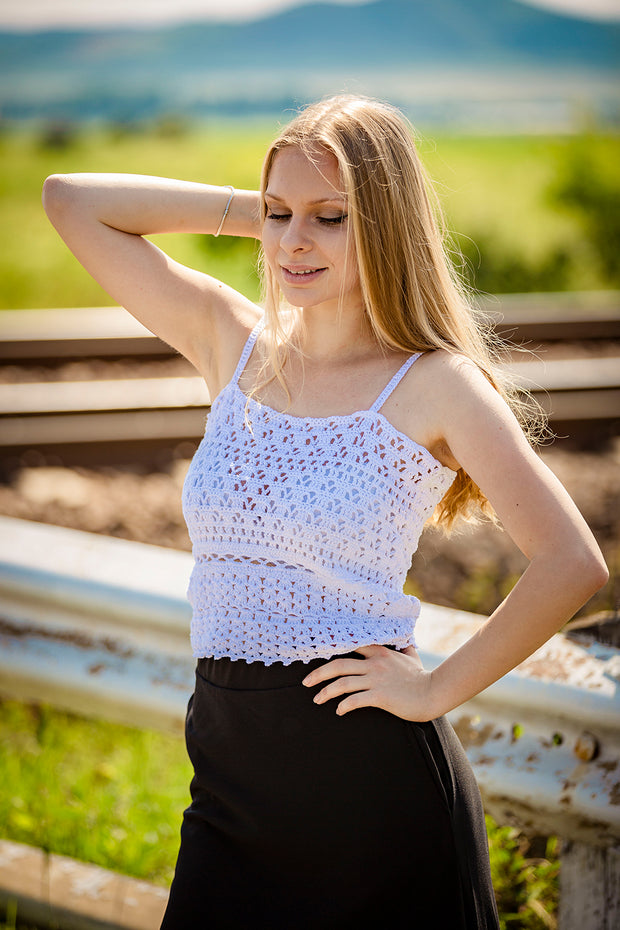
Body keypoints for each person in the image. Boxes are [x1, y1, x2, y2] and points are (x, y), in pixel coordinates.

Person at [42, 95, 608, 930]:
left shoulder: (433, 385)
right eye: (281, 214)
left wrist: (434, 690)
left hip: (371, 785)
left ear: (385, 222)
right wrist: (262, 218)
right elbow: (71, 200)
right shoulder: (231, 342)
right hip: (230, 781)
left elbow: (572, 562)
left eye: (332, 217)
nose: (295, 240)